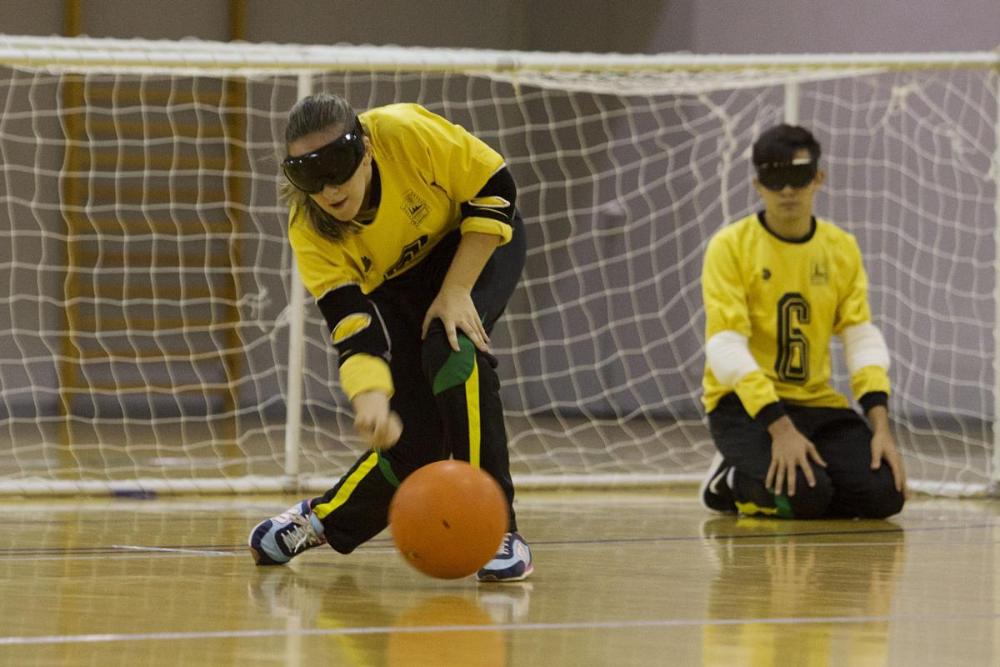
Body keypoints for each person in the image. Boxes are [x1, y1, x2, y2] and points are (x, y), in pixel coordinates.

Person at [248, 93, 532, 582]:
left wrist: (458, 288)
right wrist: (371, 400)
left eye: (337, 164)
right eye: (307, 176)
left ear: (368, 149)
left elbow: (498, 187)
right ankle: (319, 519)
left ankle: (497, 529)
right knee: (414, 440)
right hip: (398, 287)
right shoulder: (309, 228)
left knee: (453, 346)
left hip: (472, 243)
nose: (329, 188)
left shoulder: (405, 131)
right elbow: (353, 327)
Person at [699, 123, 906, 520]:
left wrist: (881, 428)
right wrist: (780, 429)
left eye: (798, 177)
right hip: (743, 407)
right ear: (759, 185)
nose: (788, 191)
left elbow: (860, 337)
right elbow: (725, 346)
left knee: (883, 496)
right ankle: (727, 479)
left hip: (815, 402)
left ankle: (805, 482)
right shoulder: (730, 246)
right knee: (805, 497)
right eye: (775, 179)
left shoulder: (840, 248)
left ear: (818, 179)